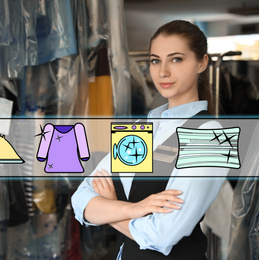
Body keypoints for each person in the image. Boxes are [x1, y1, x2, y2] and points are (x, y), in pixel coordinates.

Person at [71, 20, 229, 259]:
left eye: (176, 59)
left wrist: (111, 210)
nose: (162, 71)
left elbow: (161, 235)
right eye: (156, 60)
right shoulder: (141, 129)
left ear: (202, 63)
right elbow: (81, 201)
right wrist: (135, 209)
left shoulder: (210, 137)